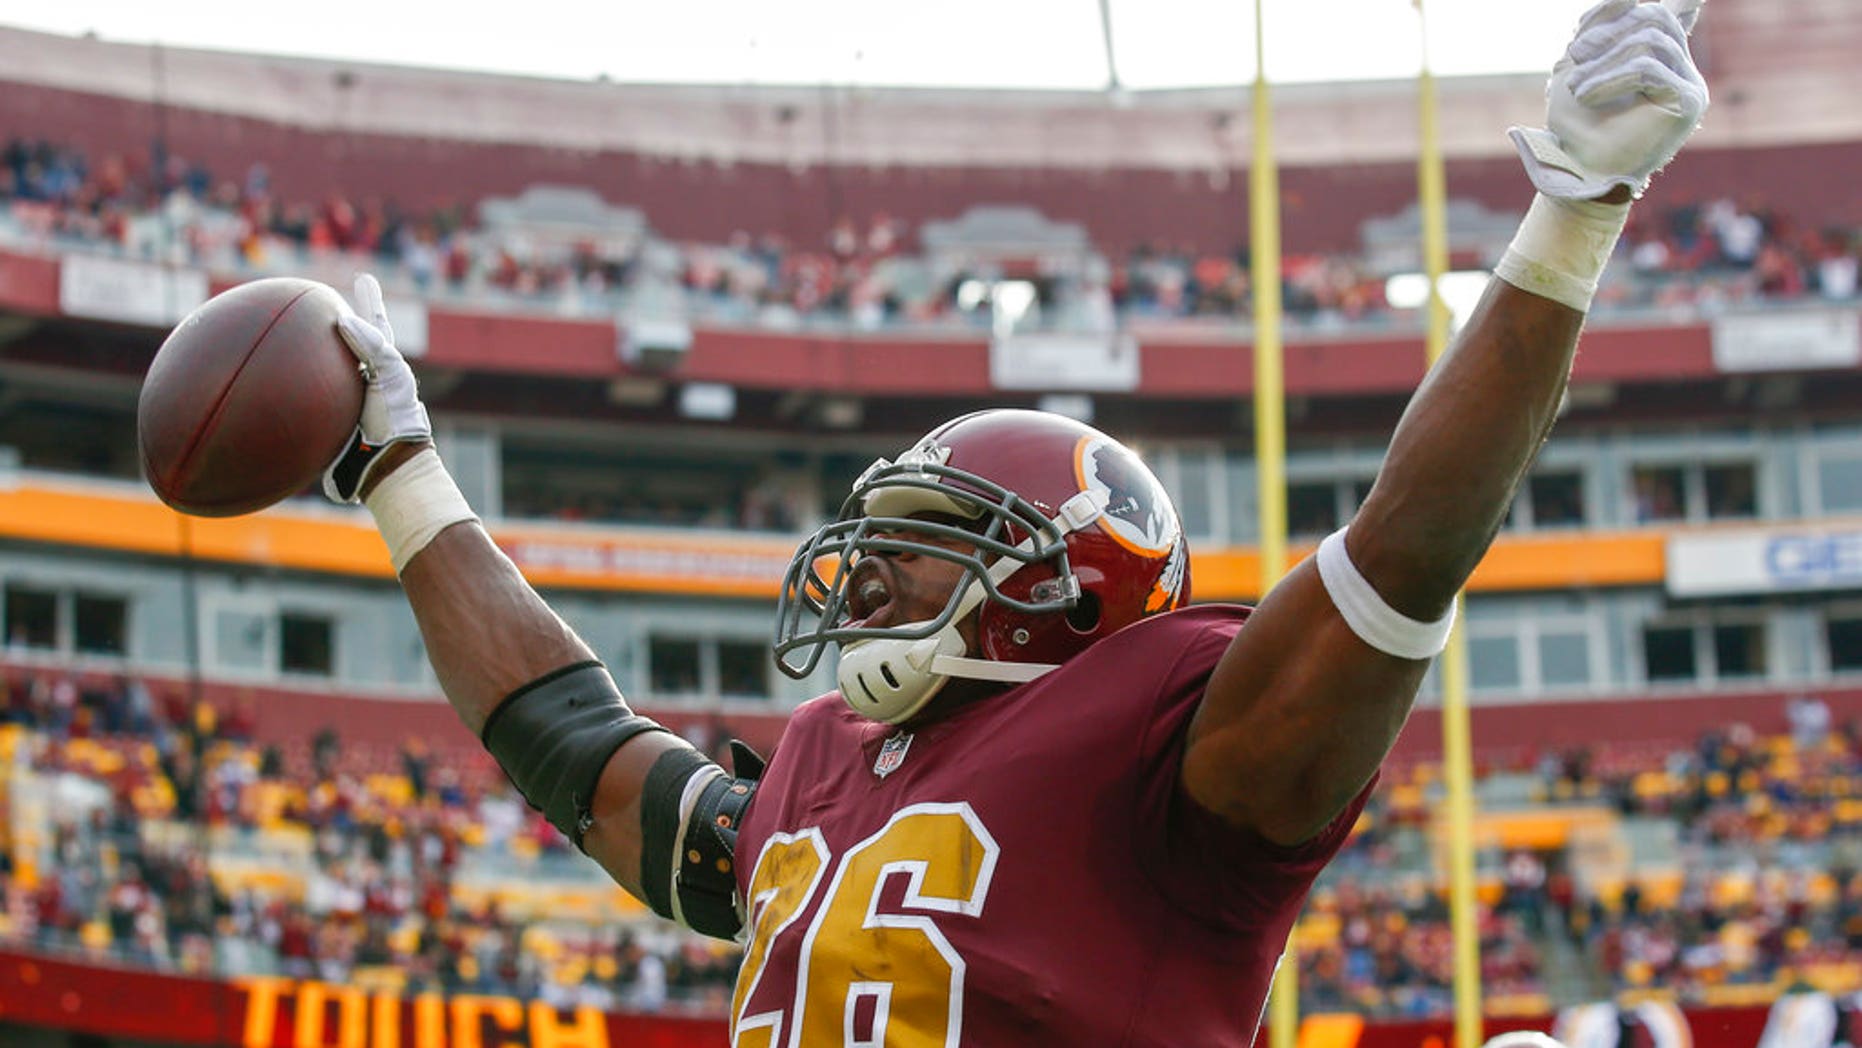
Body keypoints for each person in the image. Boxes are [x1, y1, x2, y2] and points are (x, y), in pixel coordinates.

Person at [298, 0, 1709, 1041]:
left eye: (927, 533)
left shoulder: (1170, 736)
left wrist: (1569, 214)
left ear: (1056, 579)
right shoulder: (821, 769)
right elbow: (579, 752)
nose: (864, 571)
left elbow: (1404, 547)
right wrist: (402, 475)